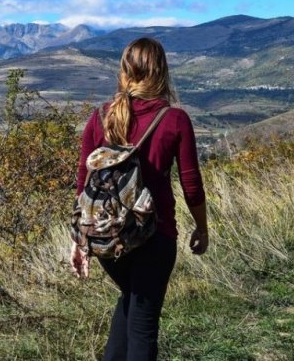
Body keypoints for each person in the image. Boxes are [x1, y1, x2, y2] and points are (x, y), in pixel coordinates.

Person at [71, 37, 208, 361]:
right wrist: (202, 228)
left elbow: (84, 182)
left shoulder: (100, 116)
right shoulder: (174, 119)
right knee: (143, 327)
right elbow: (191, 184)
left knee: (131, 303)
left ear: (124, 71)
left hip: (107, 236)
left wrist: (79, 240)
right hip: (154, 235)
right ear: (161, 71)